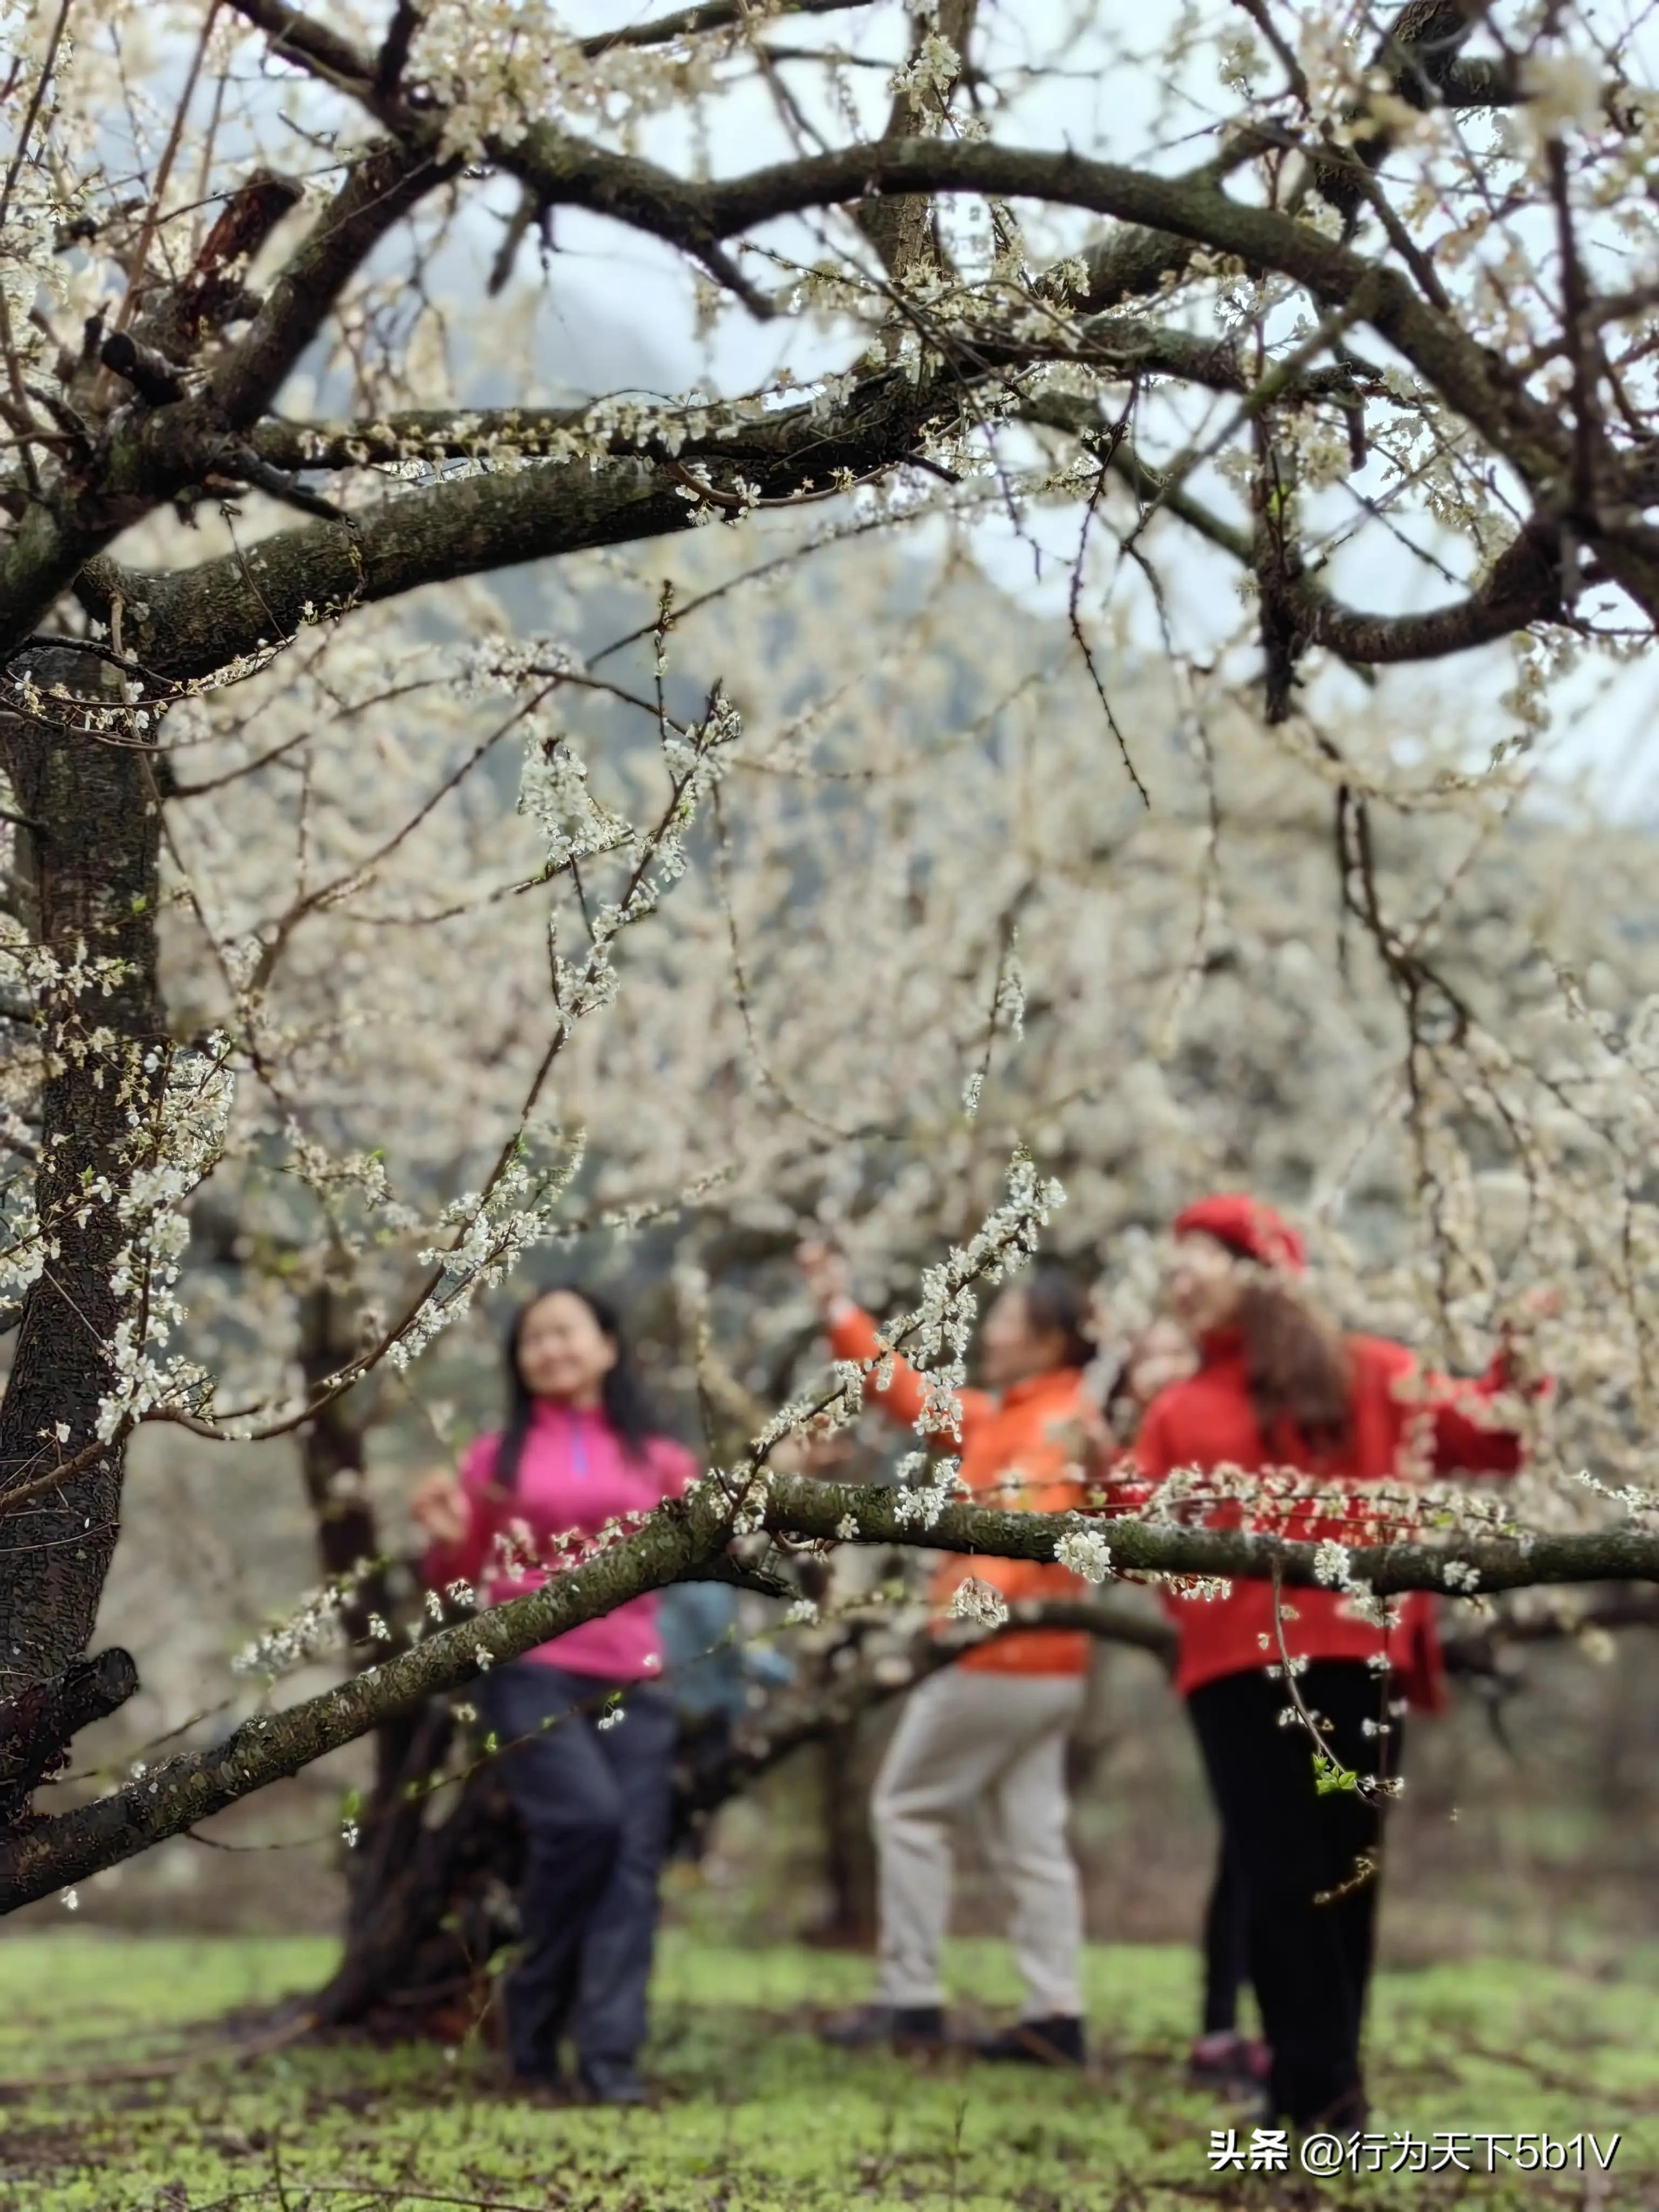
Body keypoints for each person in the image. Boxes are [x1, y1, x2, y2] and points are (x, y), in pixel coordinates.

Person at [1118, 1193, 1544, 2135]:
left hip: (1358, 1654)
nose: (1179, 1282)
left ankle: (1323, 2098)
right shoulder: (1177, 1409)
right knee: (1278, 1878)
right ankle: (1316, 2098)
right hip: (1234, 1671)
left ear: (1265, 1269)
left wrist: (1529, 1348)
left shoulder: (1375, 1373)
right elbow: (1142, 1542)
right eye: (1173, 1267)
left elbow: (1496, 1436)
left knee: (1347, 1878)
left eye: (1200, 1260)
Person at [798, 1240, 1100, 2067]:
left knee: (908, 1809)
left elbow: (1026, 1523)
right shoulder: (1014, 1412)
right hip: (1051, 1666)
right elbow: (911, 1397)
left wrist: (971, 1616)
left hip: (995, 1658)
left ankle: (911, 1997)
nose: (991, 1330)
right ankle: (1055, 2012)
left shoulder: (1052, 1421)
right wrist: (839, 1311)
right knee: (1032, 1839)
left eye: (1005, 1318)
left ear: (1048, 1340)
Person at [412, 1284, 696, 2106]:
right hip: (529, 1665)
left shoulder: (660, 1460)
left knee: (632, 1870)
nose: (551, 1350)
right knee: (584, 1825)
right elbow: (459, 1574)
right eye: (534, 1339)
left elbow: (719, 1530)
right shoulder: (494, 1458)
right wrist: (443, 1540)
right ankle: (533, 2025)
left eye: (567, 1333)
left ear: (609, 1346)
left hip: (635, 1674)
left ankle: (610, 2066)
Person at [1105, 1321, 1264, 2094]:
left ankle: (1240, 2029)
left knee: (1261, 1848)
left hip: (1279, 1643)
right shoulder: (1144, 1445)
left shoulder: (1235, 1416)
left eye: (1173, 1352)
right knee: (1251, 1841)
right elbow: (1128, 1541)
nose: (1160, 1367)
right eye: (1145, 1357)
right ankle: (1224, 2029)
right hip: (1220, 1654)